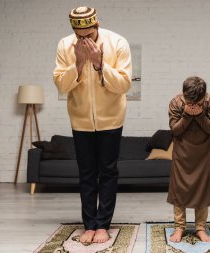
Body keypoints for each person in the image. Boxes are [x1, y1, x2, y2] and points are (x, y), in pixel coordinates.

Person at [53, 6, 131, 244]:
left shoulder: (118, 42)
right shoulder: (65, 45)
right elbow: (60, 85)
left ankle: (103, 225)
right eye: (79, 37)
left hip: (111, 119)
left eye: (88, 35)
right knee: (86, 174)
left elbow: (124, 84)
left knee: (108, 172)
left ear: (97, 26)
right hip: (80, 120)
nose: (83, 41)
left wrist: (99, 64)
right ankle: (89, 224)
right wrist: (77, 64)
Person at [167, 76, 210, 243]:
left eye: (197, 101)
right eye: (189, 100)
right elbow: (175, 130)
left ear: (203, 95)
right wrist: (187, 115)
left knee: (202, 189)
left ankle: (200, 228)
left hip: (203, 152)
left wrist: (199, 115)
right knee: (179, 188)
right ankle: (179, 227)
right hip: (182, 151)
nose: (192, 104)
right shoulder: (176, 102)